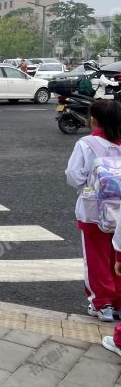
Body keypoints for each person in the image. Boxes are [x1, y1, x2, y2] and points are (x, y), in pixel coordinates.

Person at [66, 99, 121, 324]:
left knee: (96, 257)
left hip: (94, 211)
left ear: (94, 119)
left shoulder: (86, 143)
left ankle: (102, 304)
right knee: (118, 256)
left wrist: (88, 186)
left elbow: (73, 175)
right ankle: (118, 301)